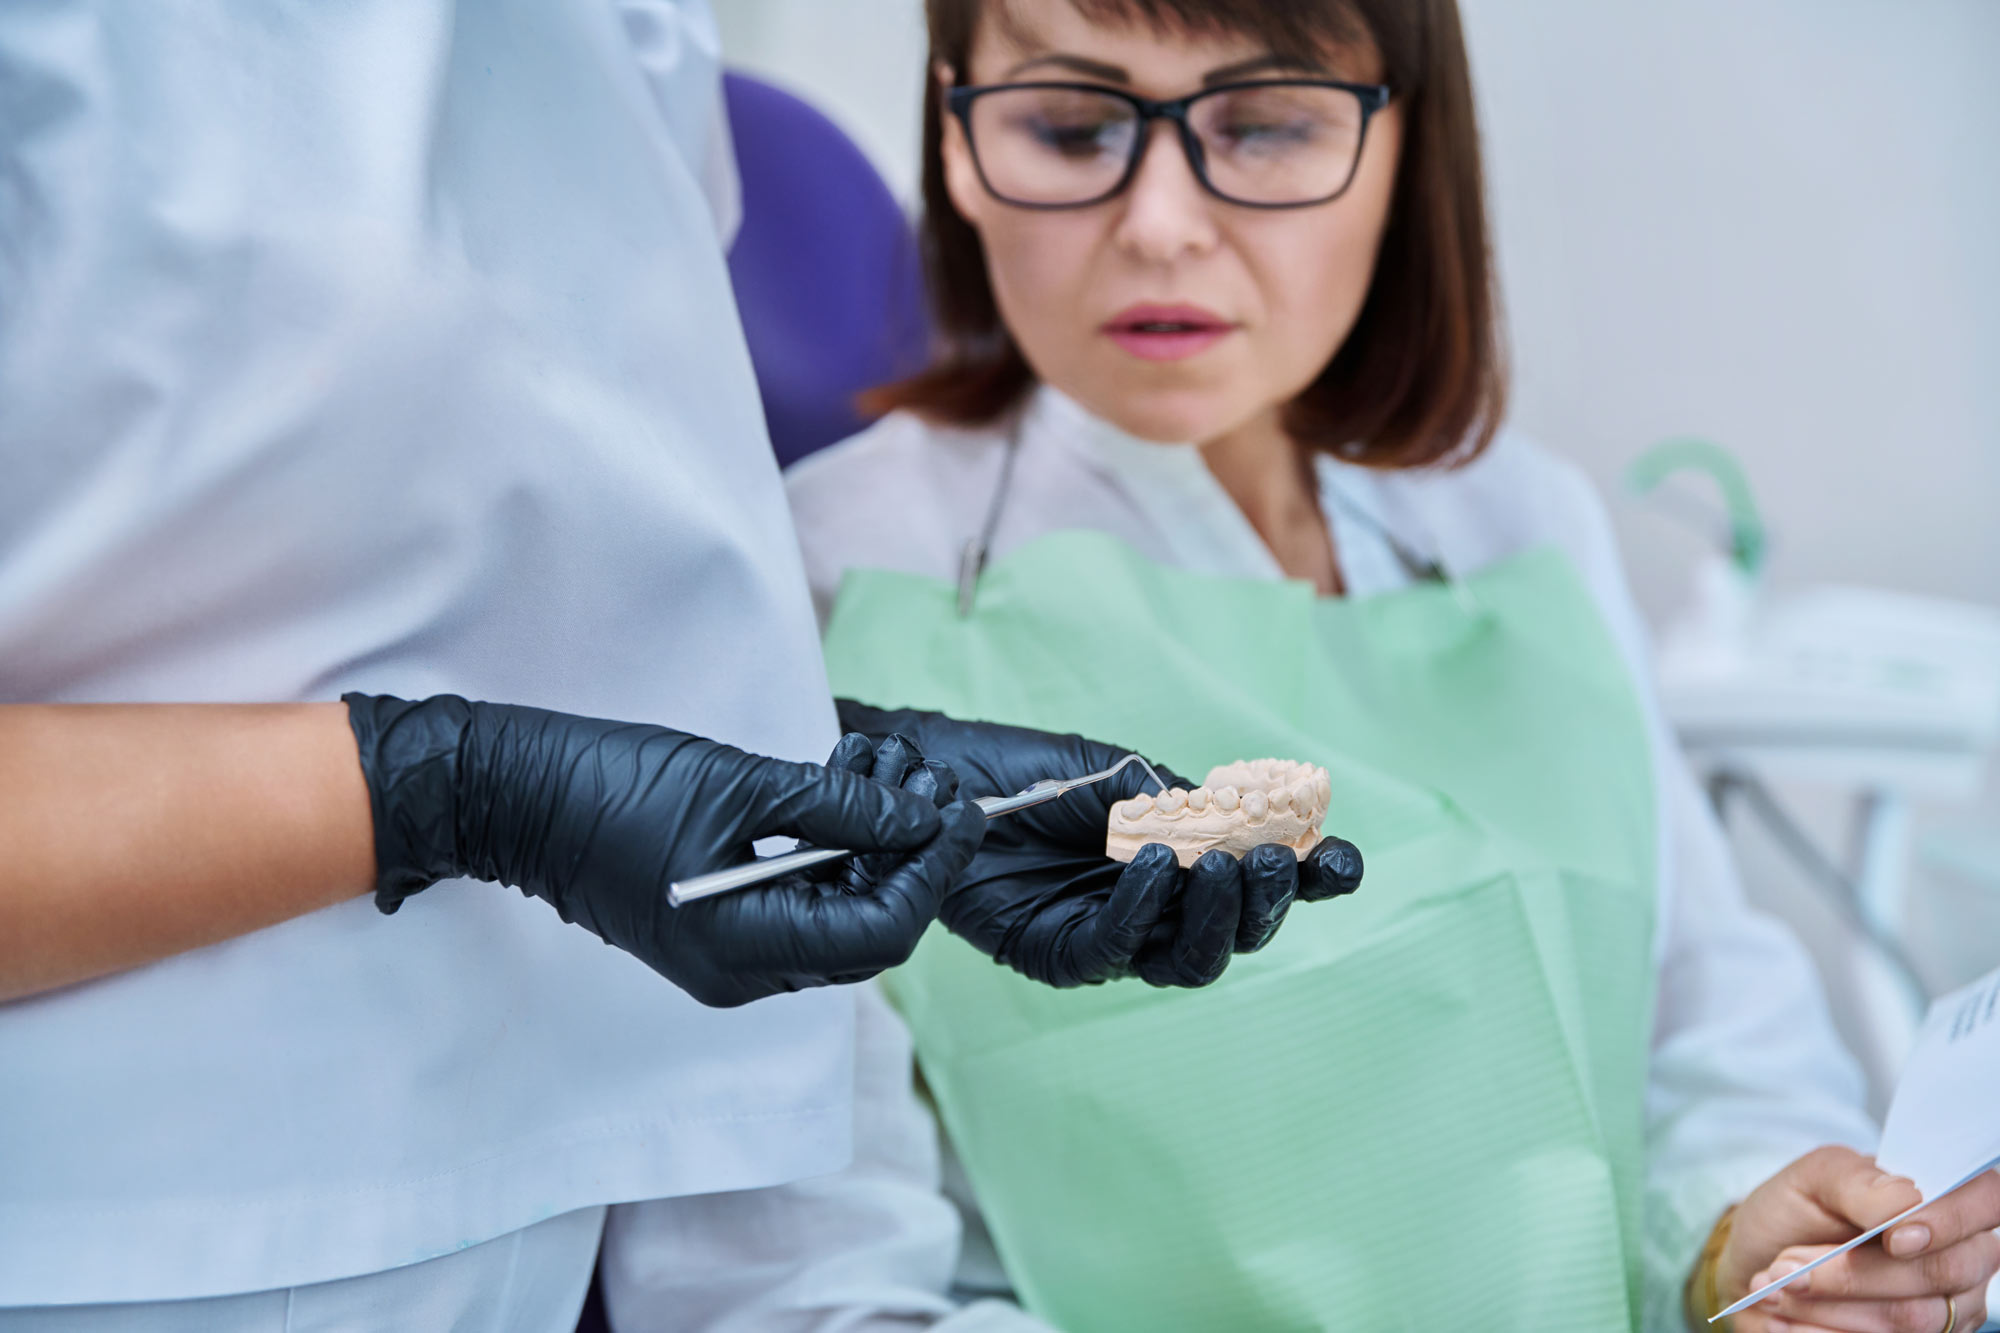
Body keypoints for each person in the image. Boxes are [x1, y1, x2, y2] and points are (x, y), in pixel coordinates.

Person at [0, 1, 1359, 1325]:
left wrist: (807, 752)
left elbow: (519, 548)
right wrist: (456, 788)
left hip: (510, 1211)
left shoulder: (617, 31)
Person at [778, 0, 2000, 1330]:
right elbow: (805, 1289)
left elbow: (1705, 1021)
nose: (1165, 224)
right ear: (957, 136)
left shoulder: (1521, 526)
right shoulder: (822, 584)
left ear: (1406, 144)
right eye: (1074, 128)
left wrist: (1735, 1245)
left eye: (1264, 125)